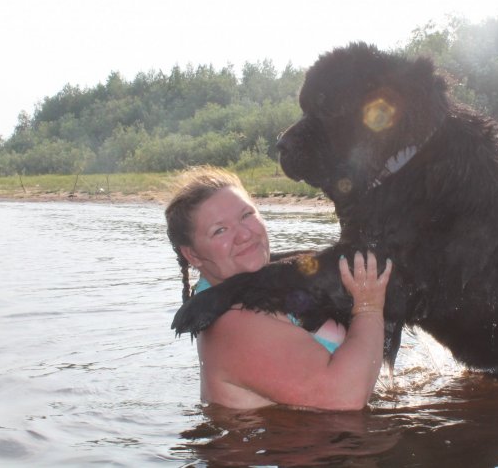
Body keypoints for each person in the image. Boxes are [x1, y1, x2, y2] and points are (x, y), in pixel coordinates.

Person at [165, 166, 392, 411]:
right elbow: (345, 396)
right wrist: (368, 307)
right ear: (193, 255)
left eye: (246, 215)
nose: (244, 235)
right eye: (220, 230)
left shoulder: (257, 291)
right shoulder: (236, 324)